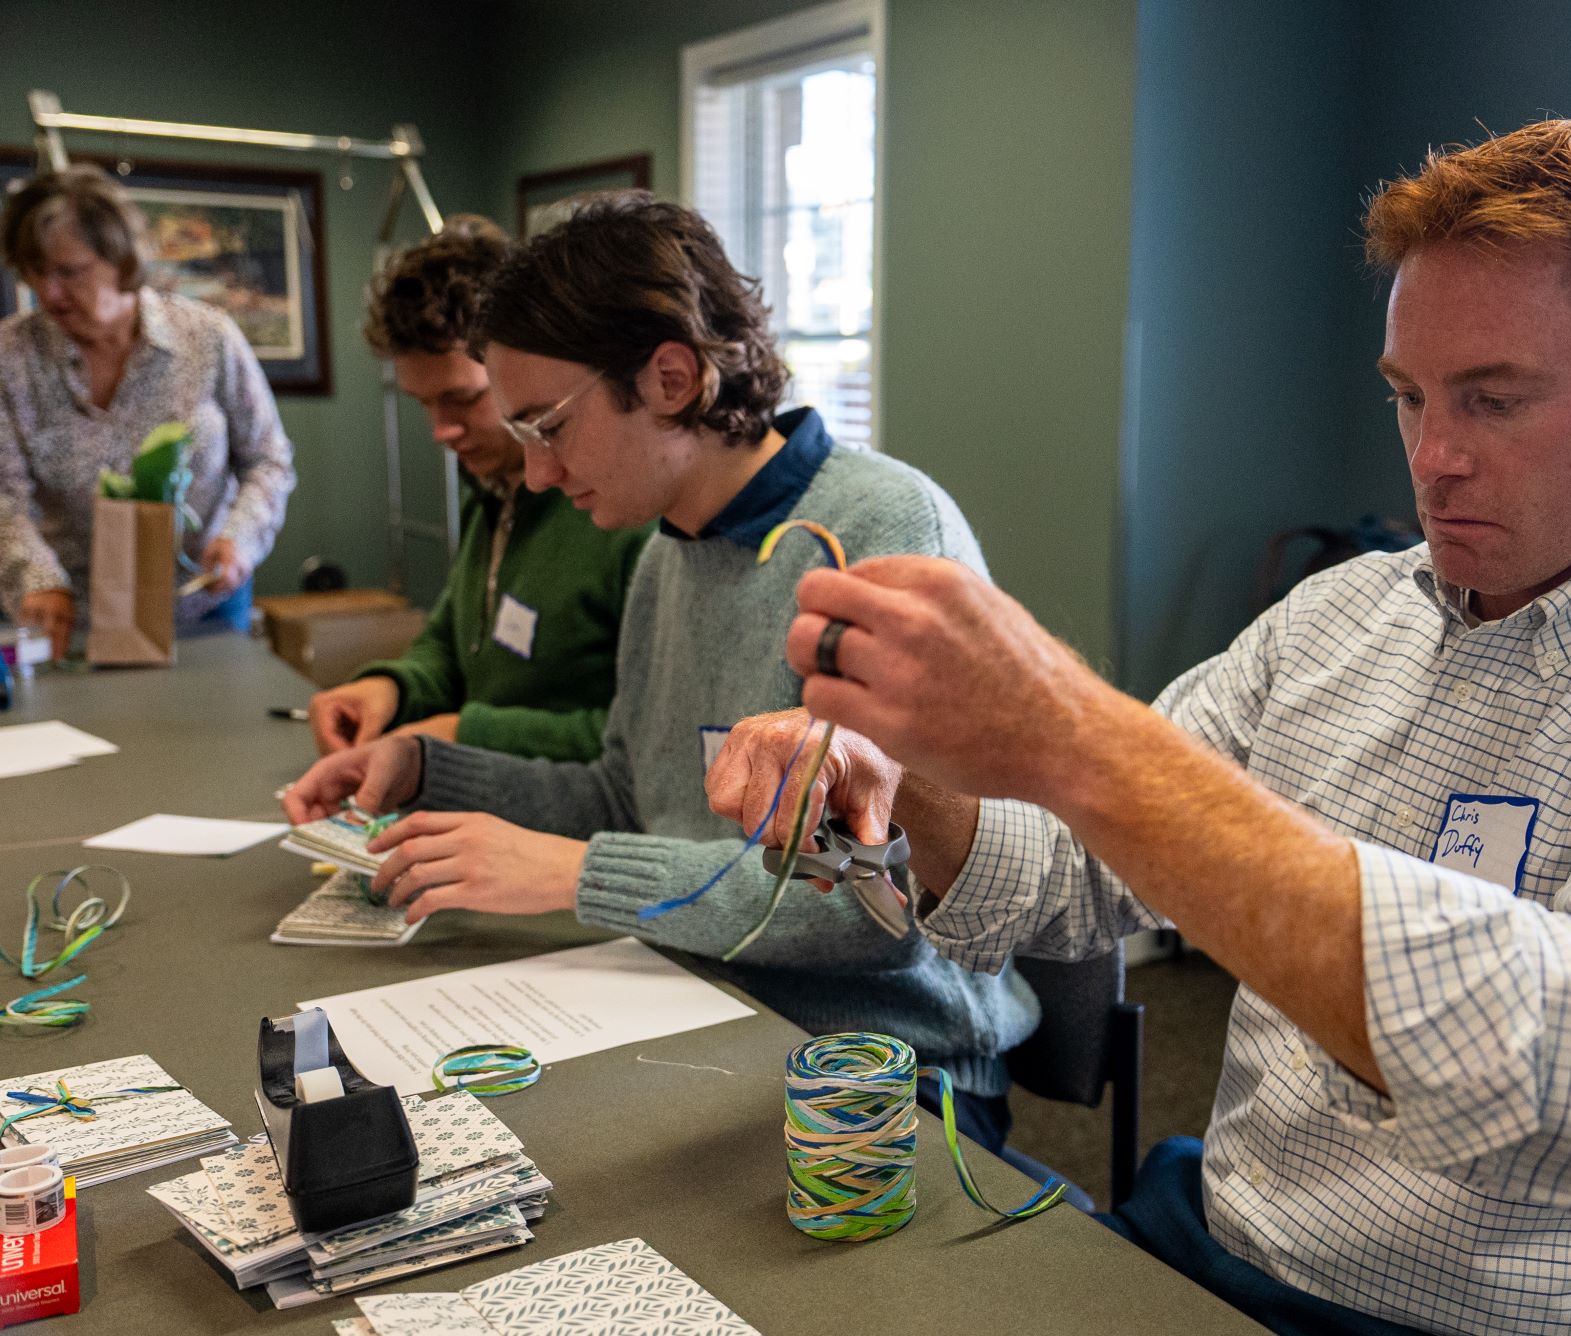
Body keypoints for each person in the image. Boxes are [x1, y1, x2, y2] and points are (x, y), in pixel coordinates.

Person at [706, 116, 1571, 1334]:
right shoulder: (1338, 617)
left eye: (1494, 401)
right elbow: (1077, 874)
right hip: (1223, 1244)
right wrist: (905, 787)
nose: (1432, 459)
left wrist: (1076, 736)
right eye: (1407, 397)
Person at [281, 193, 1038, 1150]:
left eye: (549, 426)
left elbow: (876, 906)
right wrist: (429, 769)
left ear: (672, 378)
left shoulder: (886, 535)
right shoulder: (664, 553)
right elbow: (627, 790)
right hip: (700, 1005)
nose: (541, 474)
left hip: (887, 1071)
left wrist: (578, 874)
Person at [307, 217, 647, 760]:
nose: (440, 431)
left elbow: (643, 741)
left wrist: (465, 733)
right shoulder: (490, 488)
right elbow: (452, 640)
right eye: (424, 404)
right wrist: (389, 688)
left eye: (463, 399)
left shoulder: (624, 512)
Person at [0, 164, 295, 655]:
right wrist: (38, 577)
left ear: (121, 258)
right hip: (68, 618)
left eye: (68, 272)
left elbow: (268, 458)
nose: (47, 292)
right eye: (34, 272)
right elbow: (4, 497)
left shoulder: (209, 337)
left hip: (203, 604)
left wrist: (239, 538)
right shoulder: (10, 358)